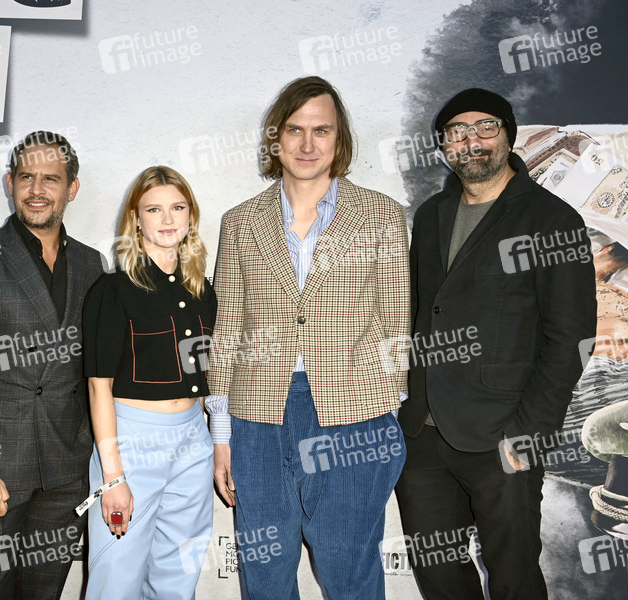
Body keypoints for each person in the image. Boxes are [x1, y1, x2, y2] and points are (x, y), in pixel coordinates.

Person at [206, 76, 410, 599]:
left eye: (322, 130)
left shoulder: (382, 215)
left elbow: (395, 321)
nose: (307, 143)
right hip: (257, 418)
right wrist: (222, 435)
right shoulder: (240, 222)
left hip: (355, 413)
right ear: (276, 139)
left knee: (349, 569)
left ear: (339, 140)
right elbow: (226, 329)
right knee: (266, 575)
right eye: (294, 130)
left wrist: (385, 408)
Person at [395, 88, 597, 599]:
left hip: (504, 436)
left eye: (486, 126)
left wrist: (528, 433)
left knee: (513, 579)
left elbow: (571, 338)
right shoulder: (430, 216)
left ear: (508, 135)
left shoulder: (552, 220)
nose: (472, 140)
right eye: (457, 131)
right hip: (424, 434)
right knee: (438, 577)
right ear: (444, 145)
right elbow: (423, 313)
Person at [0, 131, 104, 599]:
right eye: (27, 177)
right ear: (10, 183)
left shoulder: (91, 264)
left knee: (45, 592)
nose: (37, 189)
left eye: (51, 179)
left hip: (67, 468)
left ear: (72, 188)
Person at [81, 165, 215, 600]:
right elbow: (98, 386)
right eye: (154, 209)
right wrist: (113, 477)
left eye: (178, 207)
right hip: (132, 442)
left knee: (179, 575)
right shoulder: (112, 289)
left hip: (193, 439)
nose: (167, 219)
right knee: (116, 578)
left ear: (191, 215)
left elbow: (204, 376)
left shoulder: (203, 290)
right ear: (136, 219)